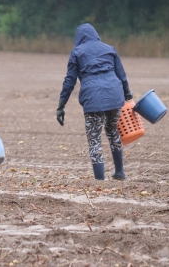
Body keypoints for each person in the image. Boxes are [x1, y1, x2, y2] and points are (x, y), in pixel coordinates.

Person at [56, 23, 133, 180]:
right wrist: (128, 94)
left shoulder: (77, 52)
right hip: (115, 96)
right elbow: (121, 75)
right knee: (113, 131)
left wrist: (61, 105)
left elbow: (69, 81)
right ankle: (120, 172)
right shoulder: (109, 49)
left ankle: (100, 180)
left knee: (95, 139)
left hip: (93, 99)